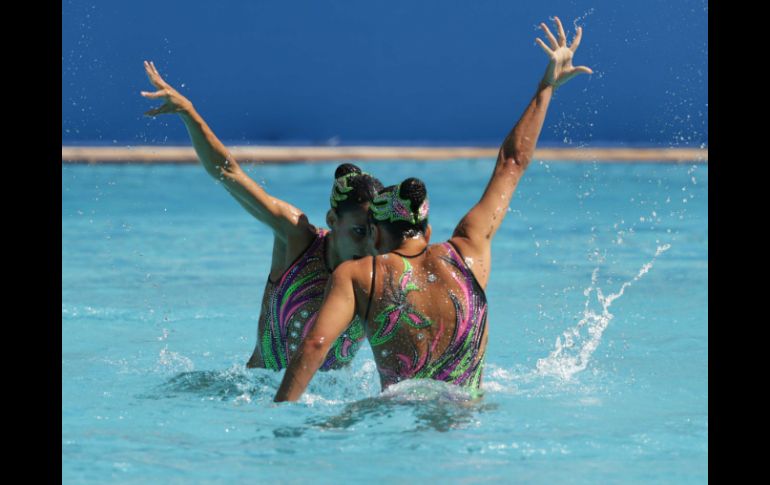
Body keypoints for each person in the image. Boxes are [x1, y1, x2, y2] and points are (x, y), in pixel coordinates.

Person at [274, 16, 592, 401]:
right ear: (425, 230)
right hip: (465, 425)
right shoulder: (469, 251)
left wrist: (280, 418)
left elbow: (314, 345)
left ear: (375, 233)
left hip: (397, 419)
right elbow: (512, 162)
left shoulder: (360, 275)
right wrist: (547, 87)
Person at [141, 63, 384, 371]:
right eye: (360, 232)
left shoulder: (381, 273)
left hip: (326, 411)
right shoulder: (297, 237)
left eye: (376, 235)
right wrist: (189, 113)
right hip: (257, 400)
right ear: (333, 220)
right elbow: (228, 172)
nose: (369, 248)